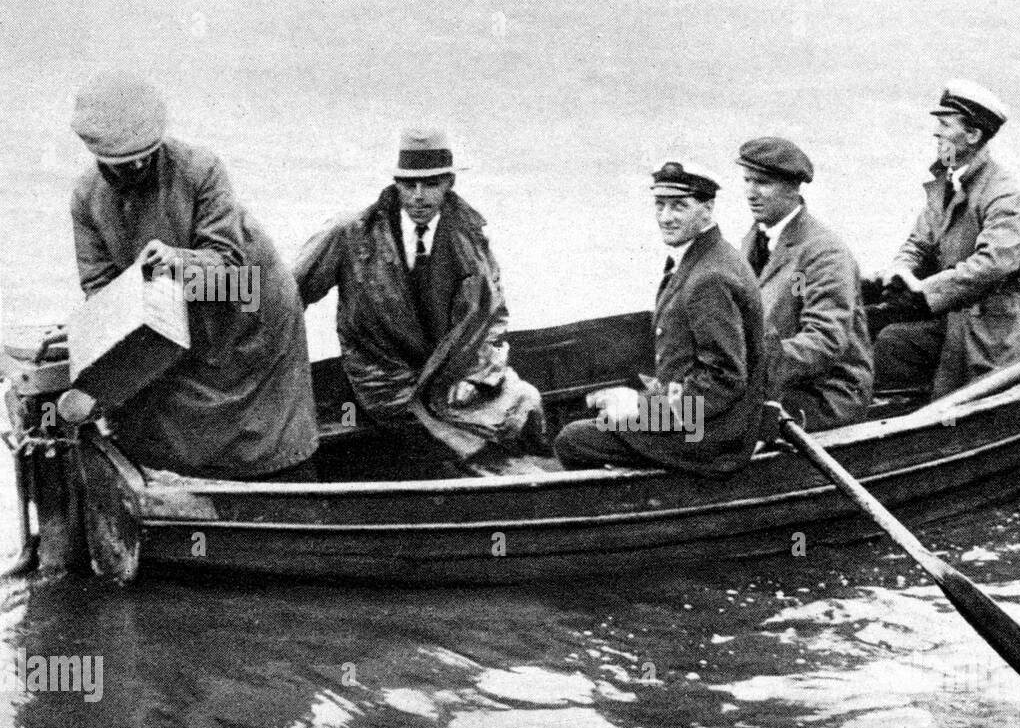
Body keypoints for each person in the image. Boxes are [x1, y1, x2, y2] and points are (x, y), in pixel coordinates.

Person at [69, 71, 319, 480]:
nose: (136, 166)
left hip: (247, 297)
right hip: (174, 312)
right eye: (122, 162)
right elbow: (100, 288)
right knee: (149, 413)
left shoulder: (200, 169)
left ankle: (282, 496)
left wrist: (177, 262)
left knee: (262, 435)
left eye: (145, 155)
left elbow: (230, 268)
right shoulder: (86, 198)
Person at [294, 128, 544, 466]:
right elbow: (288, 294)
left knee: (527, 402)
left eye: (431, 185)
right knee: (457, 443)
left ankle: (531, 476)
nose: (418, 197)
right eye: (409, 185)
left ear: (449, 183)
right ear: (396, 184)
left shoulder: (469, 235)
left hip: (452, 373)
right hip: (387, 377)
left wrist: (476, 376)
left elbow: (492, 317)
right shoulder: (351, 233)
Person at [552, 160, 767, 475]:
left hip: (711, 436)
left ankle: (634, 511)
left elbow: (723, 380)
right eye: (660, 205)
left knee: (572, 440)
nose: (666, 217)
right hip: (701, 418)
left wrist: (643, 410)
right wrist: (641, 401)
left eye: (679, 206)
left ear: (707, 209)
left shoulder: (710, 276)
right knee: (599, 417)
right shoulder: (703, 259)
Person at [873, 79, 1020, 398]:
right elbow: (919, 242)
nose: (935, 132)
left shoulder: (1003, 195)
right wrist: (901, 269)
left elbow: (993, 265)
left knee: (971, 394)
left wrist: (927, 290)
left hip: (994, 327)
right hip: (953, 315)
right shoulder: (947, 182)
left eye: (945, 124)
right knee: (890, 343)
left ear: (973, 135)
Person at [737, 137, 873, 430]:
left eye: (762, 183)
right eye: (747, 180)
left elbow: (825, 339)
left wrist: (753, 364)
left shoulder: (824, 253)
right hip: (773, 384)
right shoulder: (753, 241)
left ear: (793, 188)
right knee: (691, 408)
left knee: (709, 419)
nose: (750, 193)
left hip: (827, 394)